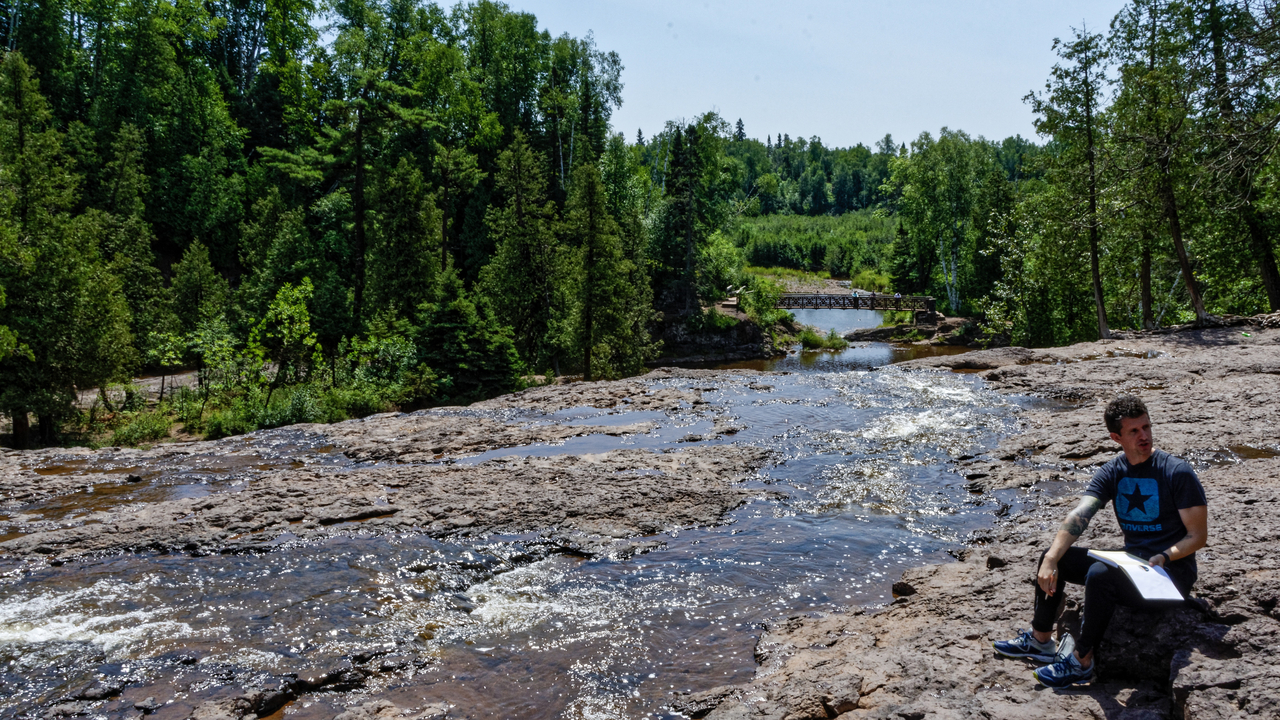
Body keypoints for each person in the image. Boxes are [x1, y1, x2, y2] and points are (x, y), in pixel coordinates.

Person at [992, 395, 1208, 688]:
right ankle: (1041, 640)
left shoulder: (1176, 472)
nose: (1144, 436)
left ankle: (1082, 661)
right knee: (1056, 556)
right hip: (1134, 564)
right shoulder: (1113, 471)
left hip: (1170, 575)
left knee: (1100, 574)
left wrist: (1165, 556)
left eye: (1146, 427)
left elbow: (1197, 536)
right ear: (1116, 437)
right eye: (1134, 431)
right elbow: (1080, 515)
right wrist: (1052, 558)